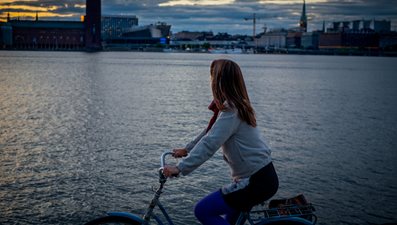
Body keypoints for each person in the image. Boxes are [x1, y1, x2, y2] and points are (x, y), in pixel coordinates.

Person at [163, 59, 278, 225]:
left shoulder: (232, 109)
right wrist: (187, 150)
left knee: (203, 210)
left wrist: (180, 168)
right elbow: (210, 132)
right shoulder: (236, 106)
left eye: (212, 78)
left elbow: (210, 143)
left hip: (255, 181)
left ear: (218, 82)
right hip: (261, 177)